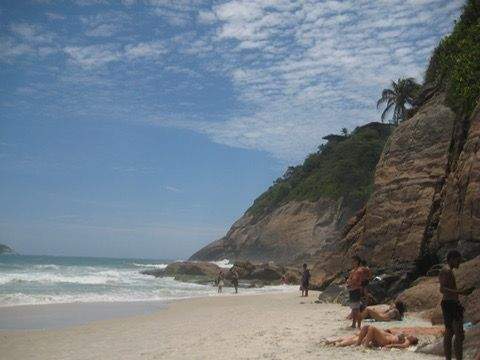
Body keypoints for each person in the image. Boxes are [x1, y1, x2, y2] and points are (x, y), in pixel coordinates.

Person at [439, 250, 473, 360]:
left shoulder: (447, 270)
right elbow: (442, 289)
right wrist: (460, 292)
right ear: (452, 259)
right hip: (450, 304)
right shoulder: (447, 270)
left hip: (449, 303)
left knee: (450, 332)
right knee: (459, 334)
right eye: (458, 260)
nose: (459, 263)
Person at [347, 255, 364, 328]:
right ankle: (354, 324)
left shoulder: (359, 271)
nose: (352, 262)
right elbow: (349, 280)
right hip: (352, 290)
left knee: (357, 309)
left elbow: (356, 281)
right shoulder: (353, 271)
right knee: (354, 308)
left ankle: (359, 325)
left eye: (354, 261)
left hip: (356, 290)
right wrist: (349, 281)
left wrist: (350, 281)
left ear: (357, 262)